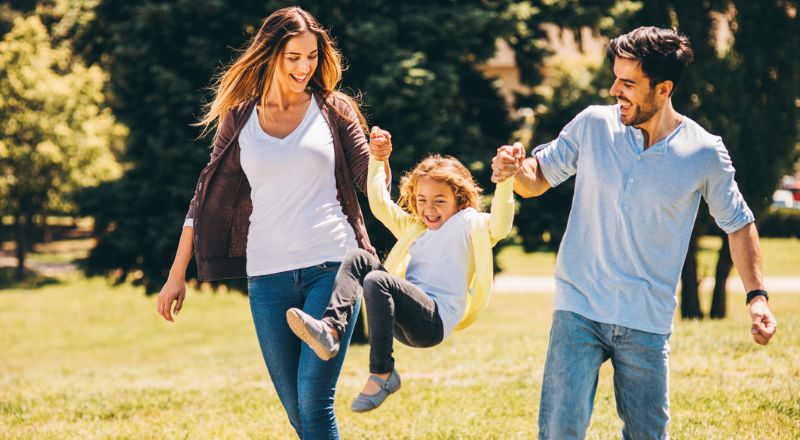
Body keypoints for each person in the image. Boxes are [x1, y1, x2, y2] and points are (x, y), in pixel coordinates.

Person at [492, 26, 777, 439]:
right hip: (579, 306)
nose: (614, 90)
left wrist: (757, 298)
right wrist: (515, 170)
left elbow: (738, 223)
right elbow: (537, 179)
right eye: (615, 78)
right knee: (559, 430)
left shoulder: (702, 151)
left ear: (663, 90)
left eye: (628, 83)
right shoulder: (592, 125)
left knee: (647, 434)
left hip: (647, 318)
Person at [155, 7, 391, 439]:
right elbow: (203, 198)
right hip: (267, 279)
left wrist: (380, 158)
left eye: (312, 57)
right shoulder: (241, 117)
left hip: (332, 266)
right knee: (298, 412)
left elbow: (369, 181)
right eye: (294, 57)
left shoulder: (333, 109)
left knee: (315, 403)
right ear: (270, 55)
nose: (305, 68)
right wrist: (176, 275)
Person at [286, 131, 517, 413]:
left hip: (433, 322)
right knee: (359, 258)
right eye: (421, 199)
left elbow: (502, 226)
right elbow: (379, 203)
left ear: (459, 199)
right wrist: (377, 159)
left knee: (377, 280)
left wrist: (506, 182)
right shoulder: (415, 228)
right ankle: (332, 329)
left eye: (439, 201)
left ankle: (382, 373)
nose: (428, 209)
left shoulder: (470, 224)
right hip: (400, 318)